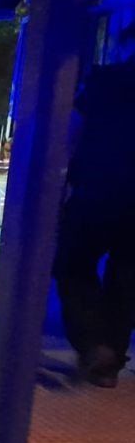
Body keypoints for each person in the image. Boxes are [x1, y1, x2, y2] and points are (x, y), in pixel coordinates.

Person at [53, 51, 135, 388]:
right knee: (127, 278)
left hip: (97, 191)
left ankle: (93, 343)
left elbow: (70, 131)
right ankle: (110, 360)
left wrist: (59, 185)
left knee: (73, 266)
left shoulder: (105, 80)